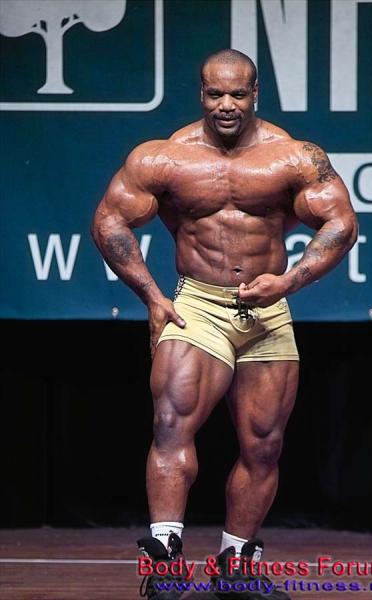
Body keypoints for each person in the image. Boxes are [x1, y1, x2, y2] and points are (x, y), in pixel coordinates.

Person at [91, 49, 358, 599]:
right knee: (171, 424)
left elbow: (340, 224)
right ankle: (166, 565)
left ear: (255, 93)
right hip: (198, 304)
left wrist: (290, 281)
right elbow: (110, 222)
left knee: (264, 444)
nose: (226, 105)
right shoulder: (164, 157)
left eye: (237, 94)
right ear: (201, 94)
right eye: (215, 94)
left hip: (267, 309)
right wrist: (152, 297)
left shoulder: (293, 156)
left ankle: (236, 565)